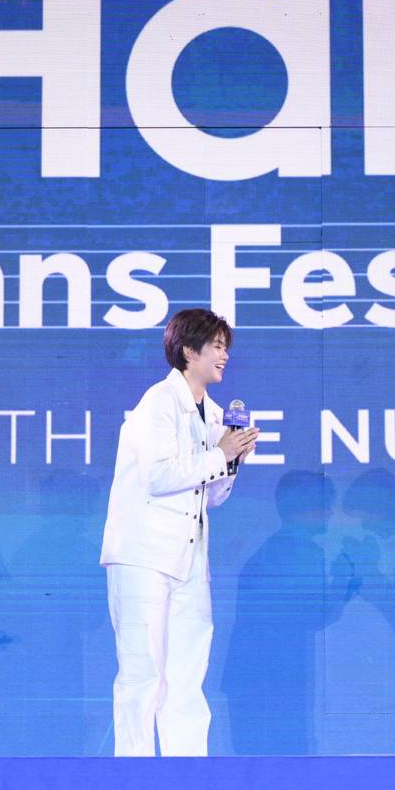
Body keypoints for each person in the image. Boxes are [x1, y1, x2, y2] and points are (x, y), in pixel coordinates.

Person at [99, 308, 259, 756]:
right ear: (189, 351)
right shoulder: (159, 402)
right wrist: (218, 455)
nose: (225, 356)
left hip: (189, 559)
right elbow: (158, 476)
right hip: (144, 556)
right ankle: (133, 775)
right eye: (217, 347)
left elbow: (211, 496)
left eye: (226, 347)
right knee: (142, 672)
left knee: (187, 673)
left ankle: (187, 772)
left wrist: (232, 460)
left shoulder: (212, 413)